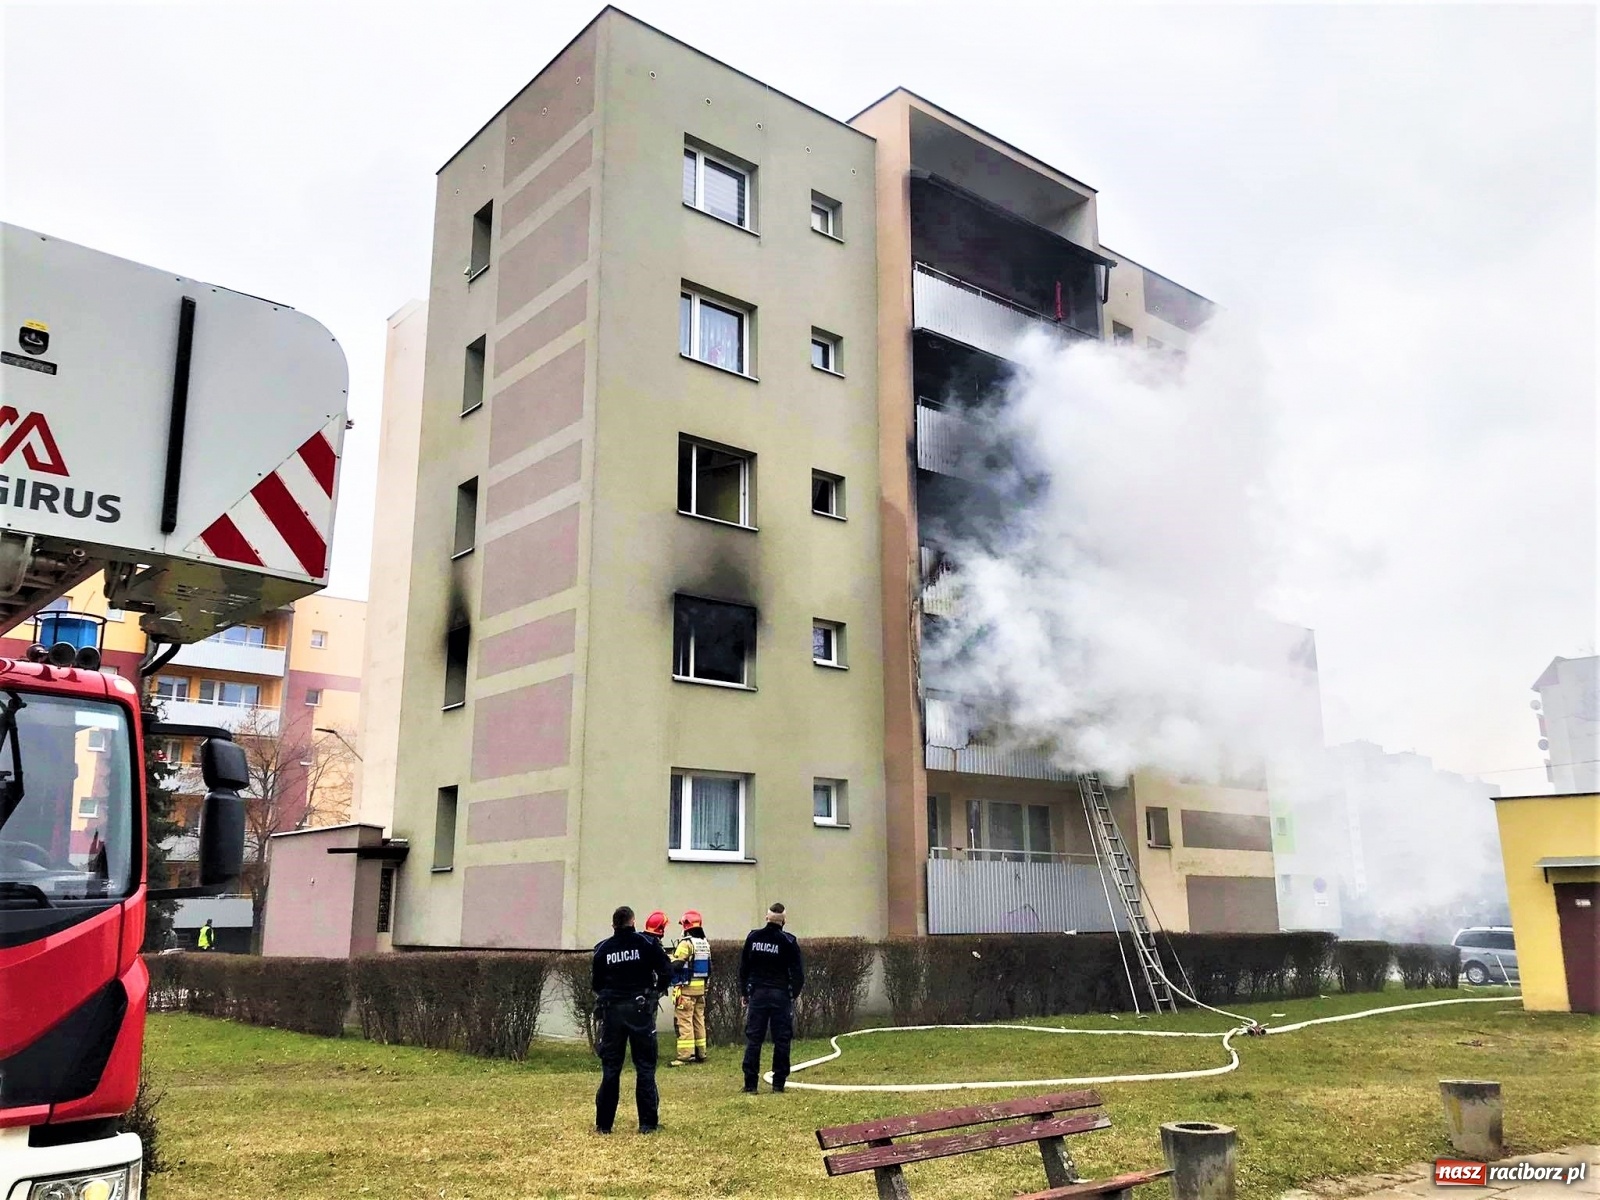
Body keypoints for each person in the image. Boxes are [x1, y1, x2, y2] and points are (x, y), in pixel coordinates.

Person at [591, 905, 672, 1134]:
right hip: (640, 1010)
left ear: (613, 924)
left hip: (612, 1012)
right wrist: (657, 991)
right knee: (645, 1066)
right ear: (633, 922)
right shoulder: (646, 944)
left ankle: (604, 1125)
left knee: (611, 1067)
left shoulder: (603, 949)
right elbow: (666, 970)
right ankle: (647, 1123)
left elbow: (596, 984)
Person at [738, 901, 804, 1094]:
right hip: (780, 995)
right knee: (782, 1039)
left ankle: (750, 1085)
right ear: (784, 921)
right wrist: (793, 993)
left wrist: (744, 992)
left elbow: (744, 968)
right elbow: (798, 973)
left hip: (758, 994)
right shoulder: (789, 941)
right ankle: (778, 1084)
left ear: (767, 918)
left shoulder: (753, 938)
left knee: (754, 1039)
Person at [667, 909, 711, 1066]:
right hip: (700, 990)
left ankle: (685, 1056)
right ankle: (701, 1052)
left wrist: (668, 960)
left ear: (686, 925)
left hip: (686, 991)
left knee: (684, 1022)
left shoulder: (686, 943)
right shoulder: (705, 943)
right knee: (698, 1021)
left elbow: (678, 965)